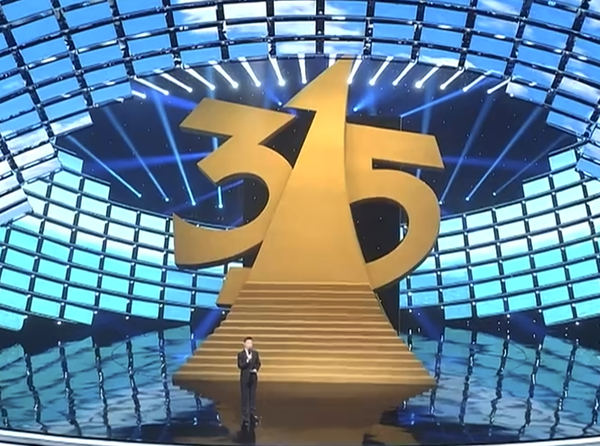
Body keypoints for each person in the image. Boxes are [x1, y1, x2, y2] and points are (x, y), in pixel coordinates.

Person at [237, 336, 261, 426]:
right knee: (245, 397)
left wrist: (256, 369)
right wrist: (247, 361)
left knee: (252, 396)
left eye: (251, 343)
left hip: (253, 377)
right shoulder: (241, 354)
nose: (250, 345)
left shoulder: (255, 353)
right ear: (244, 344)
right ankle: (245, 416)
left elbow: (258, 363)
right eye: (248, 343)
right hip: (245, 378)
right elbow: (240, 365)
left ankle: (252, 414)